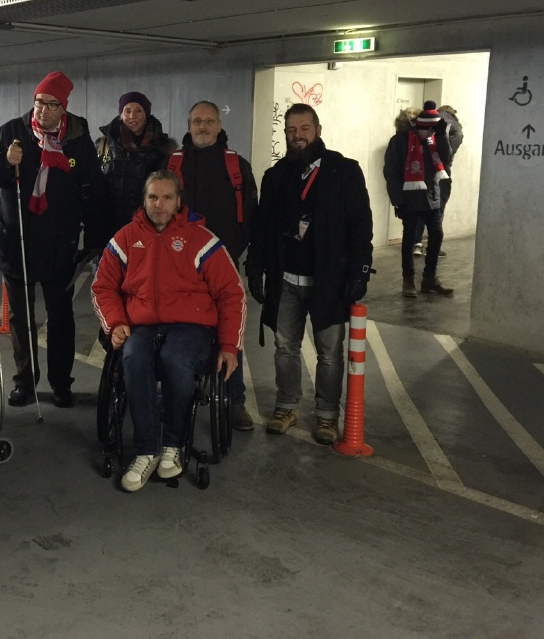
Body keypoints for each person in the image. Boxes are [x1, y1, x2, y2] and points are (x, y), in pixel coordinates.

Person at [92, 171, 245, 492]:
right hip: (141, 325)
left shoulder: (202, 240)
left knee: (176, 358)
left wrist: (229, 345)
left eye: (166, 198)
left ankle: (173, 445)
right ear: (143, 200)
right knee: (132, 356)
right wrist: (116, 322)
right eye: (152, 197)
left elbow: (231, 293)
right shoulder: (124, 239)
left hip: (192, 326)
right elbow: (103, 286)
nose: (158, 205)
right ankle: (147, 449)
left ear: (178, 202)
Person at [0, 71, 106, 409]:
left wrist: (92, 240)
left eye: (51, 105)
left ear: (64, 108)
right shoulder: (13, 132)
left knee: (61, 317)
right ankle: (24, 380)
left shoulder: (77, 139)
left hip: (59, 245)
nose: (43, 111)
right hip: (16, 241)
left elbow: (92, 191)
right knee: (20, 318)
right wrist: (5, 161)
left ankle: (61, 383)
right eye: (39, 102)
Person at [245, 103, 373, 445]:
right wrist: (255, 266)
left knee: (330, 353)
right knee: (285, 347)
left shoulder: (344, 171)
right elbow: (261, 227)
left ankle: (328, 416)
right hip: (285, 279)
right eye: (291, 130)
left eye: (304, 129)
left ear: (317, 129)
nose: (297, 136)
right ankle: (287, 406)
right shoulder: (276, 176)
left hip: (328, 282)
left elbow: (361, 225)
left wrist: (360, 271)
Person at [168, 100, 258, 432]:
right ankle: (178, 389)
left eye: (208, 121)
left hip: (223, 265)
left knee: (228, 330)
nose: (202, 127)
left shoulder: (237, 166)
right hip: (176, 267)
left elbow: (250, 216)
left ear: (219, 125)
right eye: (196, 122)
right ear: (188, 126)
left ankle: (234, 401)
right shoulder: (171, 164)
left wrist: (231, 252)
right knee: (175, 326)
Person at [384, 100, 453, 297]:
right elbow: (391, 172)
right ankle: (408, 280)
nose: (430, 133)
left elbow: (446, 160)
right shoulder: (399, 142)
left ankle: (429, 278)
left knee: (437, 234)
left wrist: (441, 136)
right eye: (429, 129)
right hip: (410, 198)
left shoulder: (432, 140)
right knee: (409, 239)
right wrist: (397, 200)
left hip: (431, 195)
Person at [96, 91, 177, 233]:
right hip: (107, 225)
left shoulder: (162, 148)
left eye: (138, 111)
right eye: (127, 111)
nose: (132, 116)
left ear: (146, 115)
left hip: (146, 226)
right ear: (121, 115)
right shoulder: (104, 144)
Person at [411, 104, 463, 257]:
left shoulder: (422, 121)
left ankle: (417, 243)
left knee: (421, 207)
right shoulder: (452, 125)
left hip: (422, 172)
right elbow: (448, 153)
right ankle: (433, 248)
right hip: (441, 173)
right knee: (437, 209)